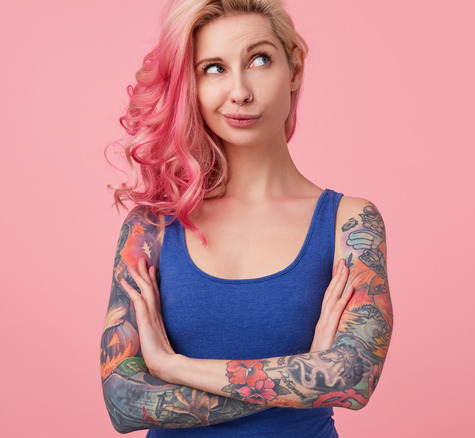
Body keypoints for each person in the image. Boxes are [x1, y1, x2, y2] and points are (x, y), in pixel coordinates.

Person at [99, 0, 392, 436]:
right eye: (213, 68)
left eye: (259, 60)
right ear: (191, 85)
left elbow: (353, 379)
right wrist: (303, 377)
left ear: (293, 70)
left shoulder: (349, 222)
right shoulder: (152, 228)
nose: (240, 91)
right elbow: (123, 403)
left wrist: (171, 367)